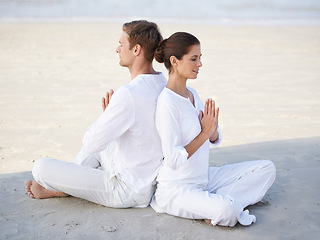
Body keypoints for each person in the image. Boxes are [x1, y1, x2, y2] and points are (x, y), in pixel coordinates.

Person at [25, 20, 167, 208]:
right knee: (105, 143)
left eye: (121, 44)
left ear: (136, 50)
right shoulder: (162, 83)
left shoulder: (129, 94)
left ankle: (61, 188)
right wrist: (112, 120)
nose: (117, 49)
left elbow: (91, 144)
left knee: (40, 167)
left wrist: (106, 118)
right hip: (149, 183)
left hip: (127, 190)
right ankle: (63, 187)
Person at [150, 32, 276, 227]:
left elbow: (213, 135)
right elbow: (173, 160)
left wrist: (212, 130)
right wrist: (205, 134)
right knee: (227, 210)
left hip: (204, 179)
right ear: (174, 61)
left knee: (266, 168)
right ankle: (222, 205)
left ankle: (216, 201)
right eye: (194, 59)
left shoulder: (192, 94)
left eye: (200, 58)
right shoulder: (167, 103)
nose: (199, 64)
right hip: (177, 189)